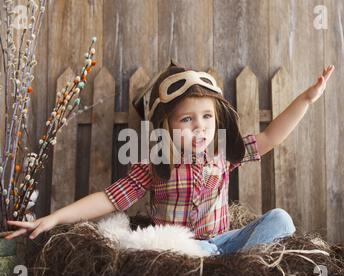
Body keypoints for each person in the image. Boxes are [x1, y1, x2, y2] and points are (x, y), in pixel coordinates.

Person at [5, 60, 335, 256]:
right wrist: (52, 219)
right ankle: (209, 265)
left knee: (280, 220)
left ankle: (227, 263)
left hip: (221, 243)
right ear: (167, 125)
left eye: (206, 117)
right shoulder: (155, 165)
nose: (200, 128)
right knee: (174, 252)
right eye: (186, 120)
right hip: (181, 249)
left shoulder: (223, 154)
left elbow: (269, 137)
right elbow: (108, 198)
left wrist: (306, 99)